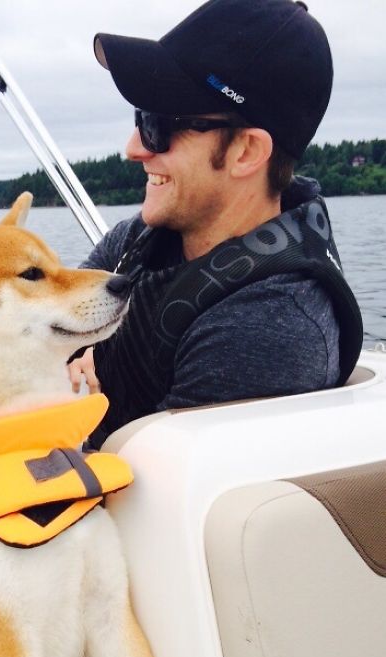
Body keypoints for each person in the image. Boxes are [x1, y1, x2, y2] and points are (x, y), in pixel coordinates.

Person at [69, 0, 363, 448]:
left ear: (246, 152)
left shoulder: (267, 328)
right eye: (139, 117)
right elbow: (42, 337)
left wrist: (72, 412)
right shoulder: (137, 241)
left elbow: (153, 501)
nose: (133, 148)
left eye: (156, 124)